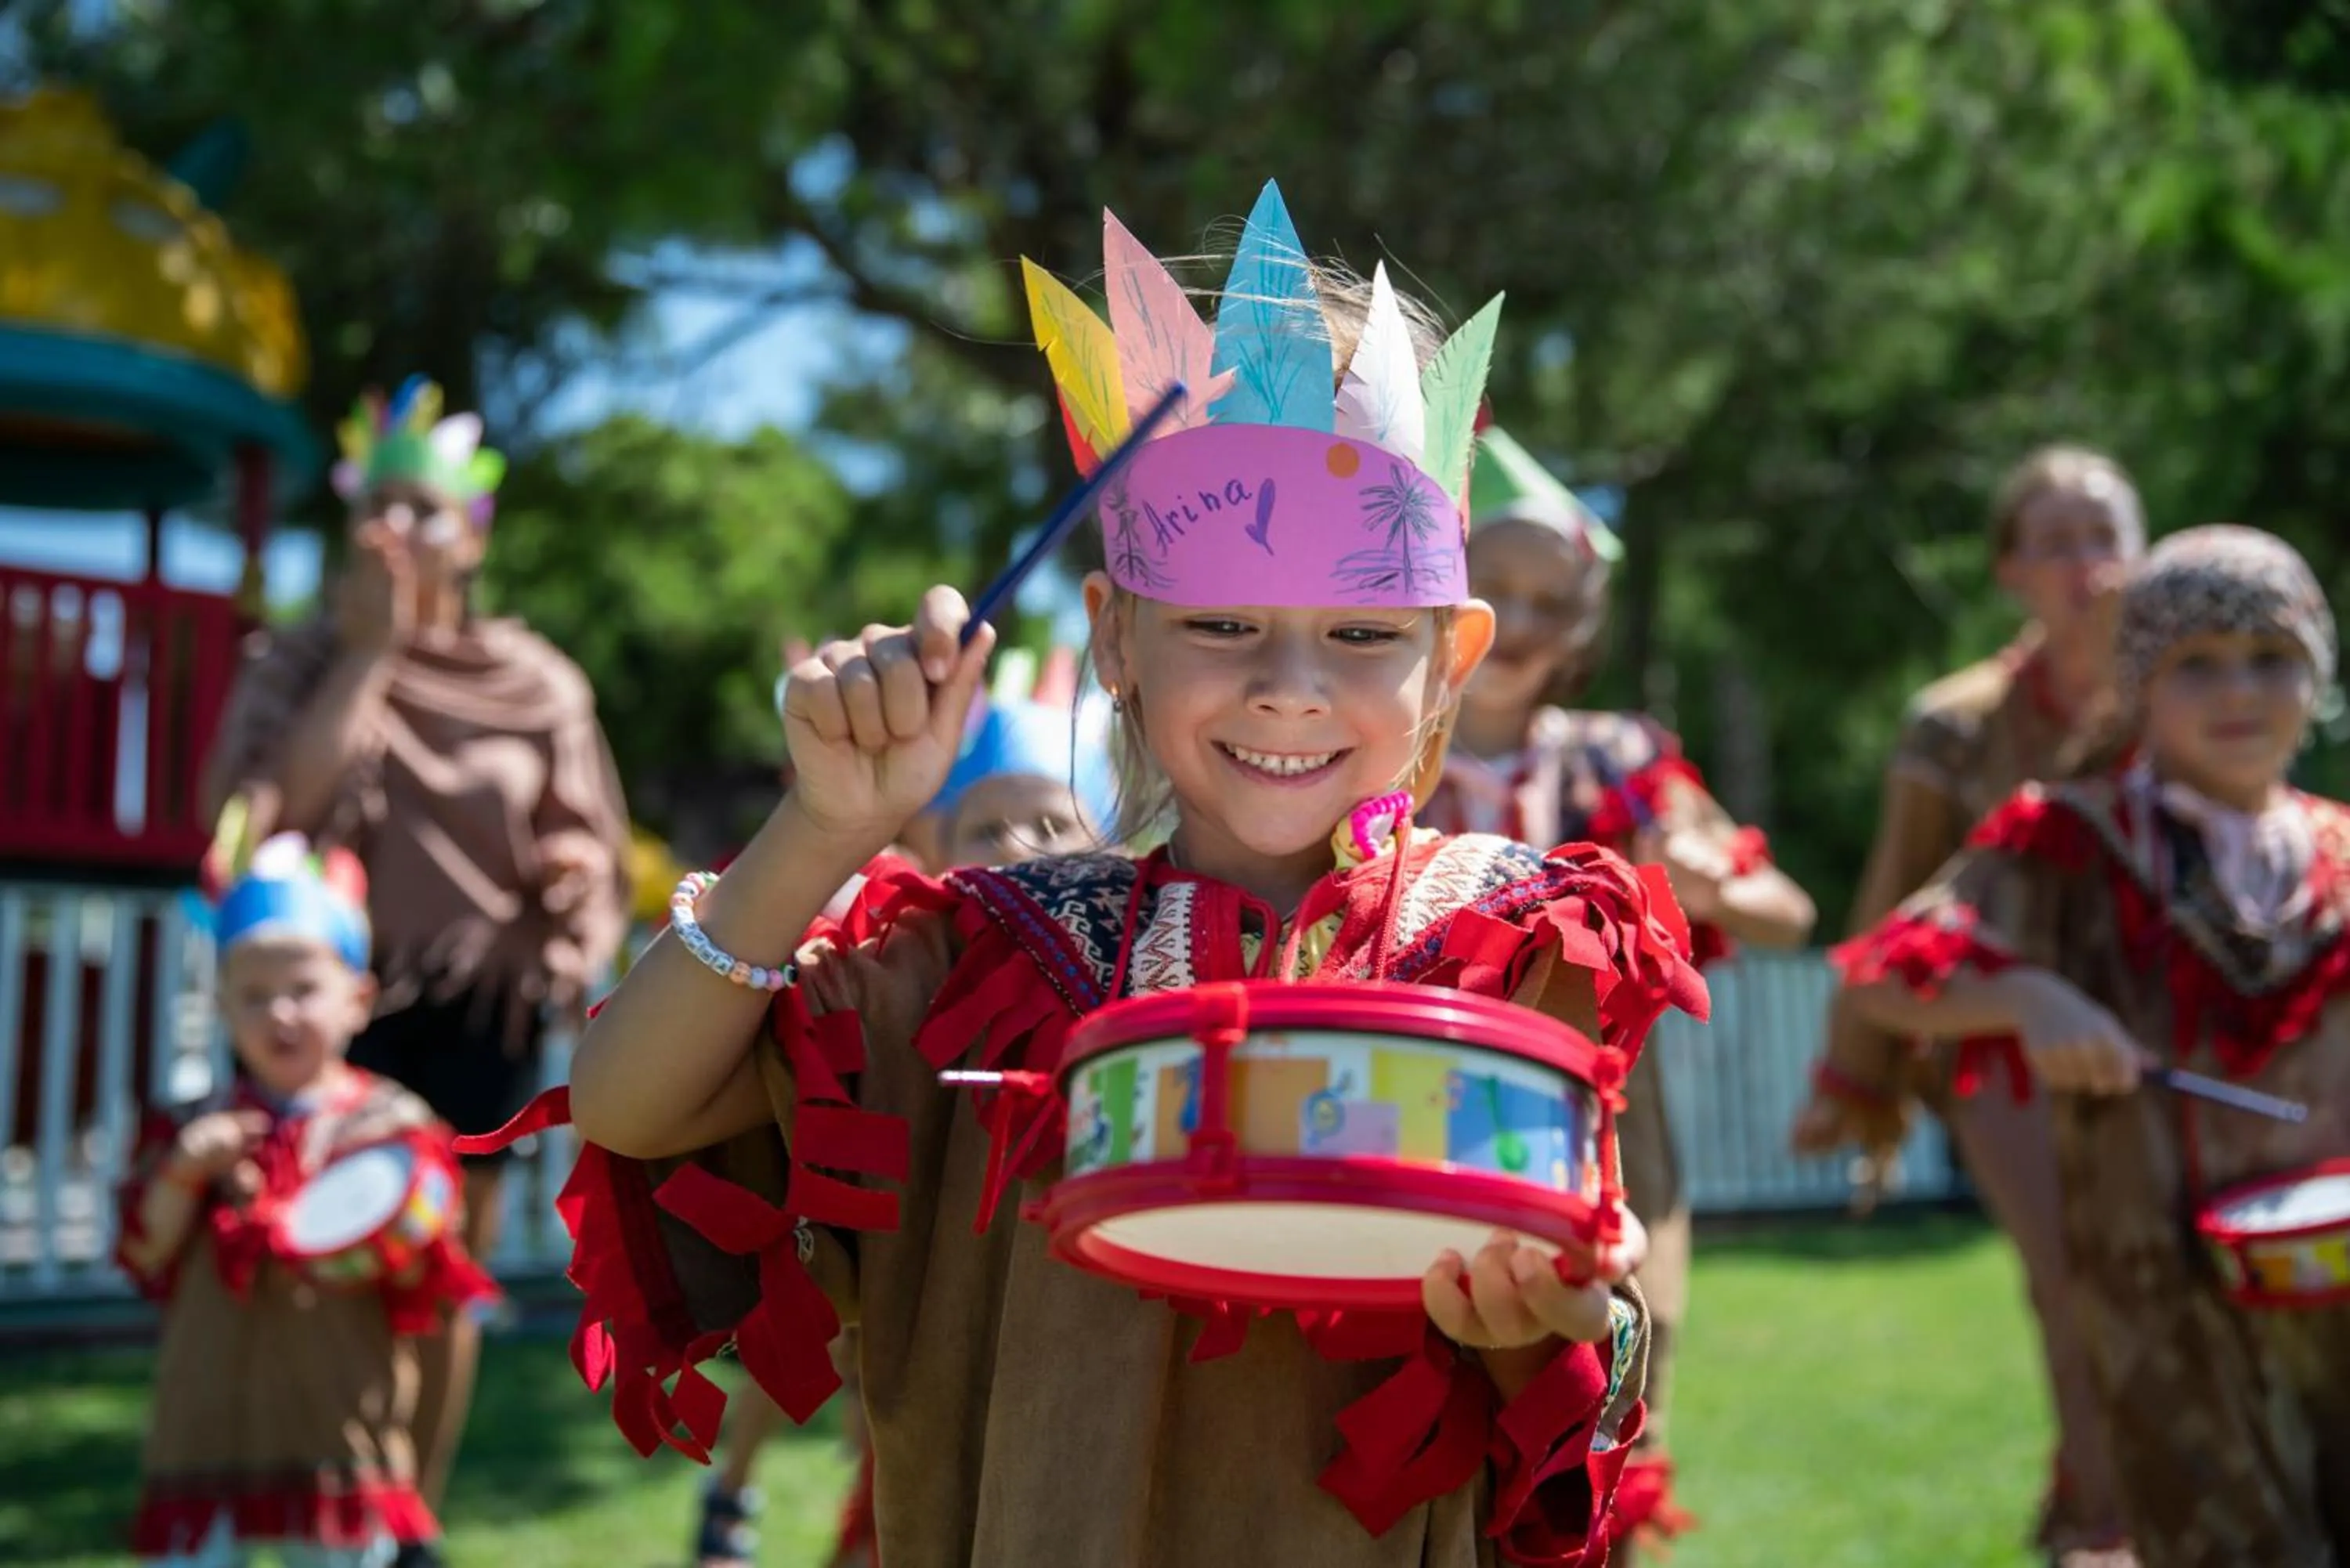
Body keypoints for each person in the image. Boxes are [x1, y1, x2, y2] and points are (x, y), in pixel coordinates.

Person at [507, 182, 1710, 1566]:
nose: (1289, 687)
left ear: (1452, 658)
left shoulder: (1515, 953)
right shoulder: (974, 966)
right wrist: (826, 826)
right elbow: (629, 1105)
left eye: (1365, 632)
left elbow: (1586, 1366)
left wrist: (1561, 1326)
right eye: (1221, 619)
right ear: (1117, 639)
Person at [1836, 525, 2348, 1568]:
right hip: (2166, 1303)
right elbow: (1887, 972)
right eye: (2195, 663)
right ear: (2138, 687)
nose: (2238, 690)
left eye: (2271, 658)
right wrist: (2027, 998)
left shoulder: (2339, 849)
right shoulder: (2067, 840)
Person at [199, 379, 633, 1568]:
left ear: (474, 532)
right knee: (300, 1268)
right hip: (318, 1014)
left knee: (439, 1276)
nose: (399, 535)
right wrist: (365, 657)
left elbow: (591, 841)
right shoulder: (294, 659)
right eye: (376, 511)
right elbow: (258, 818)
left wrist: (569, 873)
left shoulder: (537, 680)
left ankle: (403, 1518)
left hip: (472, 1014)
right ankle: (319, 1503)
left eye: (424, 512)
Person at [1421, 425, 1817, 1554]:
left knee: (1614, 1391)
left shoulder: (1621, 758)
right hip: (1416, 1119)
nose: (1526, 620)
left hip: (1612, 1142)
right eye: (1496, 586)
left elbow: (1786, 910)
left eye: (1553, 599)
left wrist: (1704, 880)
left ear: (1584, 622)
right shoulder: (1375, 747)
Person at [1793, 446, 2145, 1563]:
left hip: (2157, 1039)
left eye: (2106, 535)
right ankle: (2102, 1528)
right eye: (2057, 541)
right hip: (1991, 1036)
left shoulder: (2183, 690)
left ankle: (2108, 1495)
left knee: (2175, 1276)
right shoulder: (1957, 721)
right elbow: (1891, 901)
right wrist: (1851, 1081)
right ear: (2009, 571)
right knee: (2075, 1269)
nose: (2088, 563)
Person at [692, 692, 1117, 1568]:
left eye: (1053, 821)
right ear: (931, 850)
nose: (1024, 847)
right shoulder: (890, 992)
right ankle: (733, 1491)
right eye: (989, 828)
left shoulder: (1134, 1004)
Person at [116, 836, 494, 1568]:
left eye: (302, 990)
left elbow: (429, 1272)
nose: (279, 1014)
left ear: (358, 999)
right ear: (223, 1005)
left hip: (337, 1425)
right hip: (209, 1424)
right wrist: (190, 1171)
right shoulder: (192, 1126)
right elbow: (143, 1249)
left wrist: (382, 1216)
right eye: (253, 996)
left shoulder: (394, 1128)